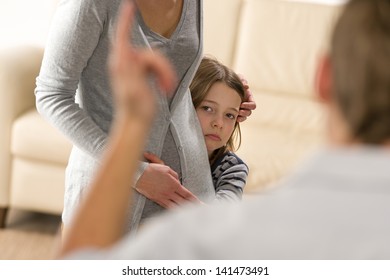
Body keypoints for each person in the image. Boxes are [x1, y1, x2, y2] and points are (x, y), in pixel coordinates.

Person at [60, 0, 390, 259]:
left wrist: (132, 126)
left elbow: (79, 267)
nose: (220, 122)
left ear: (322, 78)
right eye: (210, 111)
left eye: (229, 115)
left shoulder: (226, 238)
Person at [34, 0, 256, 232]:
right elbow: (51, 95)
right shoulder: (91, 5)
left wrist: (227, 86)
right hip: (112, 194)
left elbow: (174, 71)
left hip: (189, 200)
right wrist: (135, 172)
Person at [145, 56, 249, 201]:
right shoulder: (158, 148)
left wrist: (172, 185)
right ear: (185, 107)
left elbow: (221, 218)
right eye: (207, 108)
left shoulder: (232, 168)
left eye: (230, 115)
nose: (219, 123)